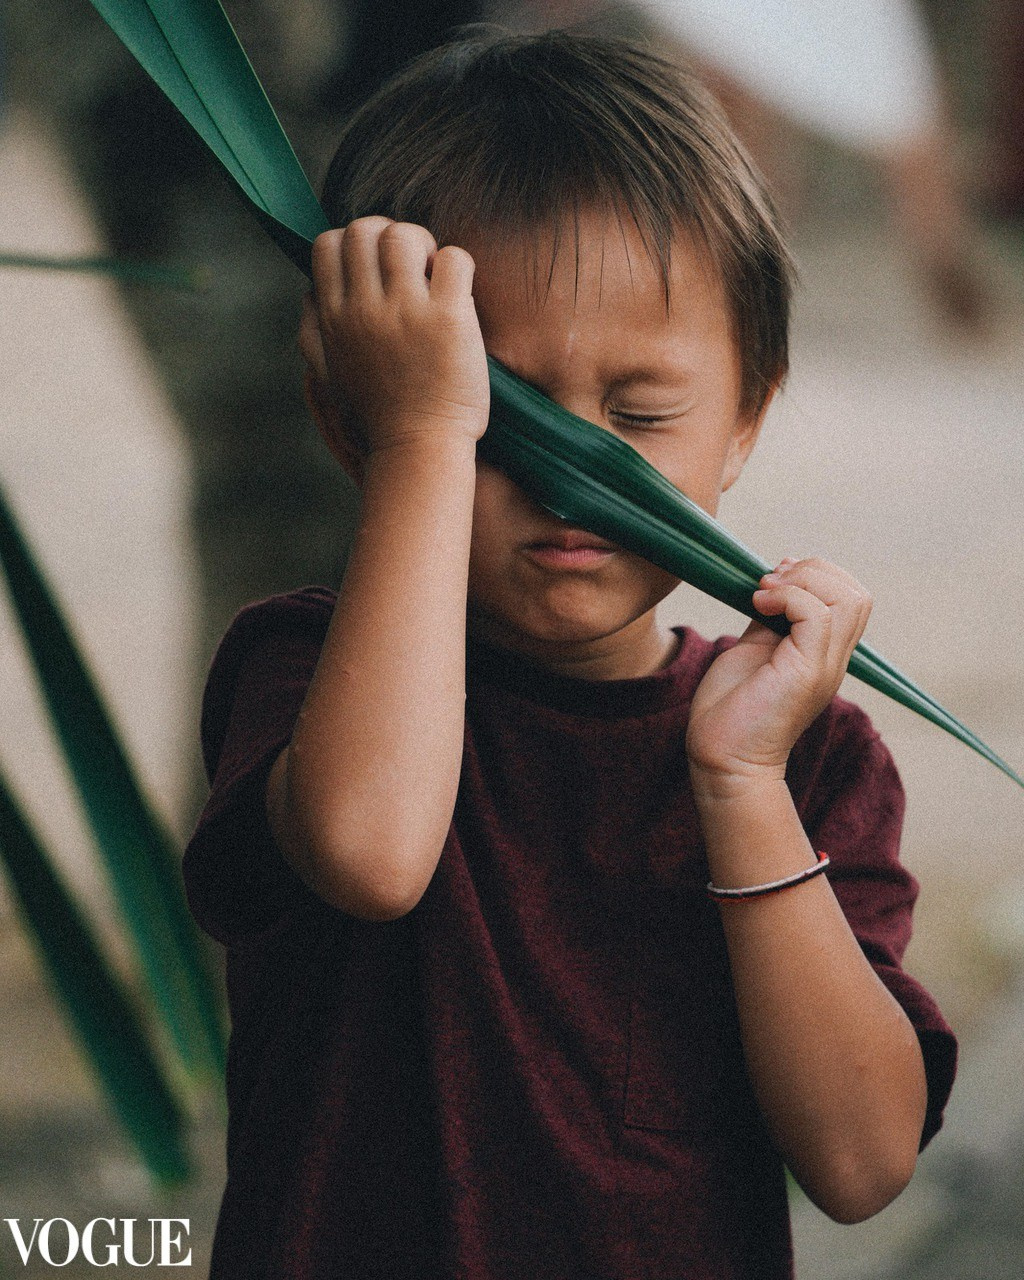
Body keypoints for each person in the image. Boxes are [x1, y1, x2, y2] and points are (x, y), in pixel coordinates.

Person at [182, 28, 958, 1280]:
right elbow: (373, 856)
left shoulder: (806, 749)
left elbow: (863, 1165)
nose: (567, 482)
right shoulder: (302, 669)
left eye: (637, 419)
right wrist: (428, 439)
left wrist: (742, 788)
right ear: (354, 419)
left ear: (748, 415)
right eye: (497, 418)